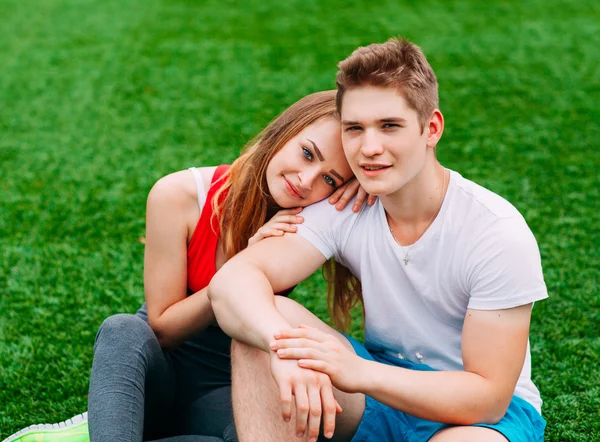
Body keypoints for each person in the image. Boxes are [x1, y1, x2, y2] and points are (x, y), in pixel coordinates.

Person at [207, 37, 548, 442]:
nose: (369, 149)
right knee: (269, 324)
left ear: (431, 128)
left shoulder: (496, 232)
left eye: (389, 126)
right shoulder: (346, 205)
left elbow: (486, 397)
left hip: (478, 418)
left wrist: (359, 372)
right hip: (374, 394)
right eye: (355, 129)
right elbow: (231, 283)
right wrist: (279, 347)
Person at [4, 90, 374, 442]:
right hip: (157, 378)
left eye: (330, 179)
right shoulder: (179, 195)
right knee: (122, 330)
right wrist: (236, 272)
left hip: (224, 391)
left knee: (262, 430)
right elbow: (162, 329)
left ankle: (110, 430)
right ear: (283, 132)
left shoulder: (313, 220)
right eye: (307, 153)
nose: (306, 180)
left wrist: (369, 192)